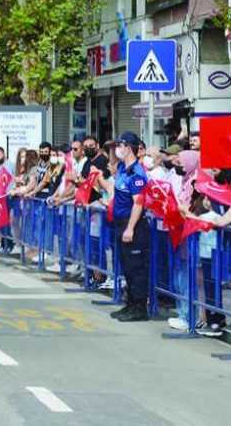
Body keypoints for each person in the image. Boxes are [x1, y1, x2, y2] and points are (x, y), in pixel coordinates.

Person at [94, 131, 150, 322]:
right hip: (119, 222)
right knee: (126, 267)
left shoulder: (136, 173)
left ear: (129, 148)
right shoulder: (122, 170)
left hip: (131, 224)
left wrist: (130, 228)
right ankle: (130, 304)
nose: (118, 149)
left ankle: (140, 307)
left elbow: (139, 202)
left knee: (136, 269)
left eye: (121, 145)